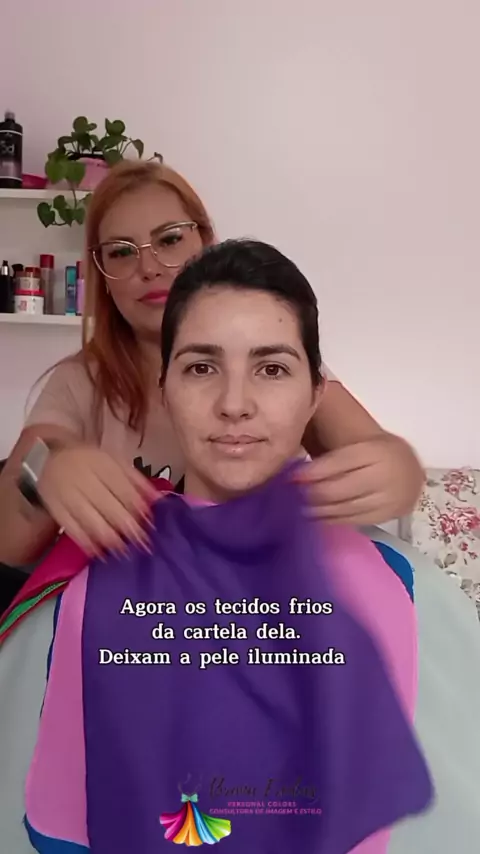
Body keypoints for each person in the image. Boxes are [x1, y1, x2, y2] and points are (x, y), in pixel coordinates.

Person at [0, 160, 423, 568]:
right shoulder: (80, 381)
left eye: (169, 240)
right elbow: (9, 538)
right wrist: (49, 471)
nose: (148, 268)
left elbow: (382, 455)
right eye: (121, 252)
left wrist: (398, 470)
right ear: (102, 274)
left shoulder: (284, 365)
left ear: (205, 243)